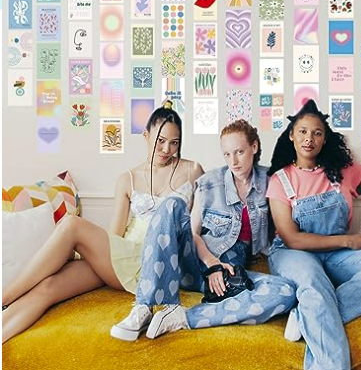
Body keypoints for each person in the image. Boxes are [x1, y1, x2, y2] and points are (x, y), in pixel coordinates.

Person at [2, 101, 204, 344]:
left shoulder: (193, 171)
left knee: (70, 225)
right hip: (124, 258)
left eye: (174, 142)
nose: (166, 149)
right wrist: (89, 251)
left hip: (159, 262)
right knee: (49, 287)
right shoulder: (127, 178)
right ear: (146, 135)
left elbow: (199, 227)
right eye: (160, 140)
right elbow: (116, 235)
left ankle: (4, 296)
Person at [111, 120, 296, 341]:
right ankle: (143, 307)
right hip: (195, 263)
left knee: (285, 291)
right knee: (172, 204)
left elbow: (286, 223)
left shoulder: (271, 180)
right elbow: (193, 232)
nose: (233, 161)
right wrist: (211, 263)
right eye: (227, 154)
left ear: (254, 147)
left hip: (230, 274)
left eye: (239, 152)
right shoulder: (209, 183)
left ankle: (182, 317)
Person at [266, 100, 361, 370]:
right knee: (313, 284)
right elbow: (292, 238)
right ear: (291, 135)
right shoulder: (280, 181)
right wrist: (348, 240)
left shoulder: (343, 171)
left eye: (317, 133)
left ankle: (305, 316)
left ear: (324, 139)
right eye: (302, 131)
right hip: (294, 254)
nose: (309, 138)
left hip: (335, 256)